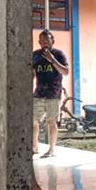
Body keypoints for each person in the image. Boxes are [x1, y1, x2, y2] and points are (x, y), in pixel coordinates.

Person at [32, 29, 69, 158]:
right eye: (42, 41)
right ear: (39, 42)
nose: (44, 43)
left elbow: (65, 71)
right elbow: (32, 73)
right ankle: (34, 147)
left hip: (54, 93)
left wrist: (52, 60)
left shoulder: (59, 54)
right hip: (39, 93)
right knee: (32, 120)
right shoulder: (35, 55)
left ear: (52, 41)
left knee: (51, 121)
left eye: (47, 40)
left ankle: (52, 149)